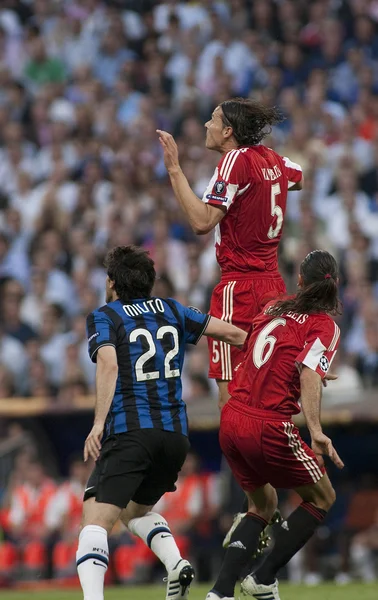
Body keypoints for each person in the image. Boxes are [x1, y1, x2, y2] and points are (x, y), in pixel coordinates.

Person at [76, 245, 247, 600]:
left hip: (130, 431)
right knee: (135, 511)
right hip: (174, 437)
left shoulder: (106, 315)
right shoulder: (172, 309)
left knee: (94, 519)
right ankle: (175, 564)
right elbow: (234, 334)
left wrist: (97, 423)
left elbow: (108, 364)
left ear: (111, 283)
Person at [205, 250, 344, 600]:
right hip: (267, 425)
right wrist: (315, 430)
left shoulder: (274, 307)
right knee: (323, 496)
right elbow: (309, 371)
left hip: (232, 418)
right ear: (335, 285)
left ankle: (220, 592)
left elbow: (264, 351)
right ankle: (263, 576)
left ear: (299, 281)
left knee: (262, 505)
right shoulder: (325, 325)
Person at [157, 97, 303, 410]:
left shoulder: (234, 160)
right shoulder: (274, 159)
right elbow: (298, 177)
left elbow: (202, 221)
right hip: (274, 288)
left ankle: (238, 459)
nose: (207, 125)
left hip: (239, 290)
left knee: (233, 397)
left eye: (213, 119)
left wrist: (174, 170)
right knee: (267, 390)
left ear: (228, 132)